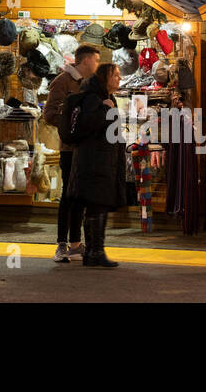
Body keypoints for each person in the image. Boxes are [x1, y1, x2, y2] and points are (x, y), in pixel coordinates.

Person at [63, 61, 125, 267]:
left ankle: (92, 252)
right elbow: (89, 125)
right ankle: (96, 252)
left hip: (99, 160)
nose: (119, 78)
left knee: (96, 205)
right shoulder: (93, 98)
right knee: (97, 205)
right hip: (94, 161)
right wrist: (105, 111)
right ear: (105, 77)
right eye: (115, 75)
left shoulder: (104, 98)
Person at [44, 44, 100, 262]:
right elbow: (49, 114)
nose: (97, 64)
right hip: (70, 149)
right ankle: (61, 244)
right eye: (95, 60)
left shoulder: (92, 85)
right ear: (85, 61)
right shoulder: (62, 82)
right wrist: (73, 125)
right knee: (69, 195)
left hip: (88, 149)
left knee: (80, 196)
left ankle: (76, 243)